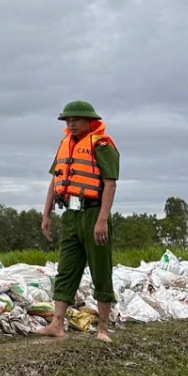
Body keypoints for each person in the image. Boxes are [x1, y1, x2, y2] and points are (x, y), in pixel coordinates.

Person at [37, 100, 119, 343]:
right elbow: (55, 181)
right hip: (70, 216)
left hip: (93, 213)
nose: (71, 123)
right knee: (66, 270)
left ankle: (103, 328)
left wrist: (102, 219)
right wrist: (46, 213)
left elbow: (110, 183)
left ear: (89, 121)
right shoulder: (65, 145)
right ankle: (56, 324)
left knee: (100, 269)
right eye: (67, 120)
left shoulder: (102, 145)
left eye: (76, 119)